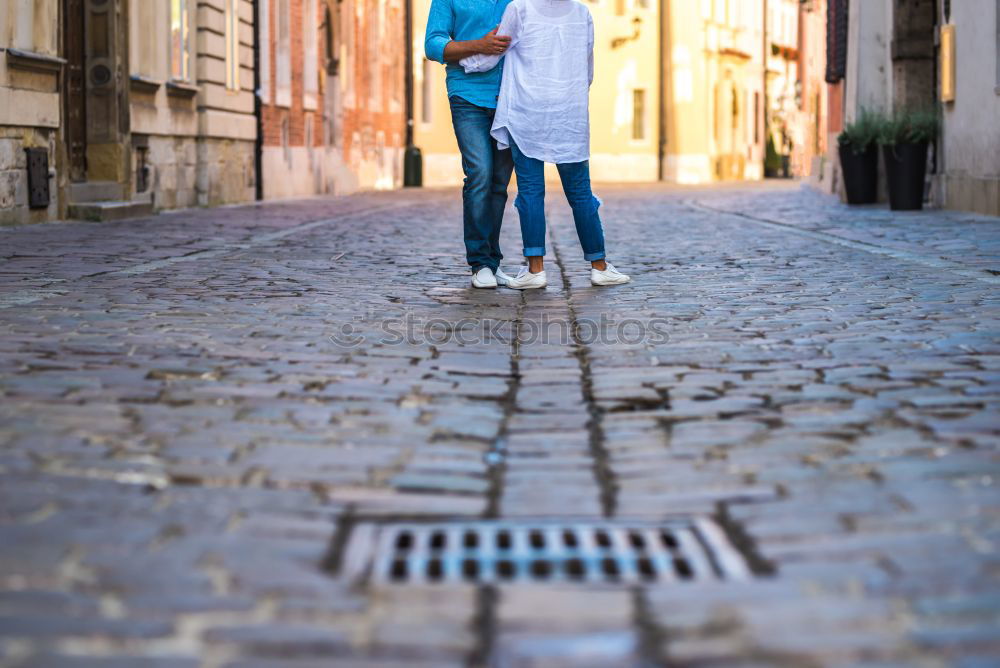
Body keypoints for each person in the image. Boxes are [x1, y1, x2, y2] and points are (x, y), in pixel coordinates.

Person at [459, 0, 631, 290]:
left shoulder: (519, 8)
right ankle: (599, 266)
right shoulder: (582, 12)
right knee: (580, 194)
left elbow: (495, 52)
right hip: (569, 116)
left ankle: (536, 269)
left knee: (530, 193)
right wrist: (569, 93)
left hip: (528, 112)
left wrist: (466, 62)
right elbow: (588, 68)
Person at [425, 0, 518, 289]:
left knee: (499, 182)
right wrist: (479, 45)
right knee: (479, 173)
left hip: (512, 96)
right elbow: (433, 44)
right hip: (467, 94)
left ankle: (492, 262)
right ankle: (479, 263)